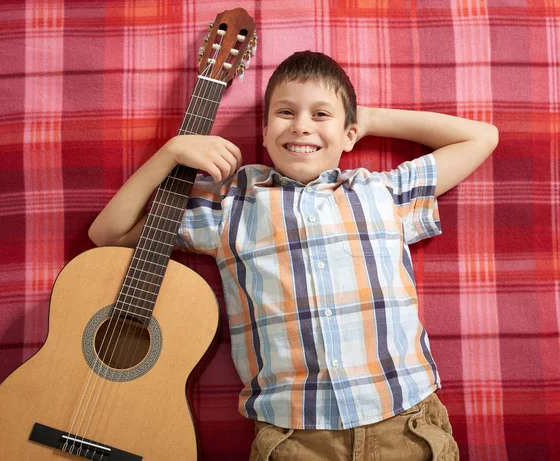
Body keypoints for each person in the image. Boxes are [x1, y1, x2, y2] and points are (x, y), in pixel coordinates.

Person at [88, 51, 498, 460]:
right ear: (264, 132)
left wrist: (364, 119)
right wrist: (171, 153)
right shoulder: (229, 204)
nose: (301, 125)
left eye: (320, 115)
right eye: (286, 112)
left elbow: (481, 137)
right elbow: (109, 232)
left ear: (350, 134)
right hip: (294, 438)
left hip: (404, 423)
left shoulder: (381, 193)